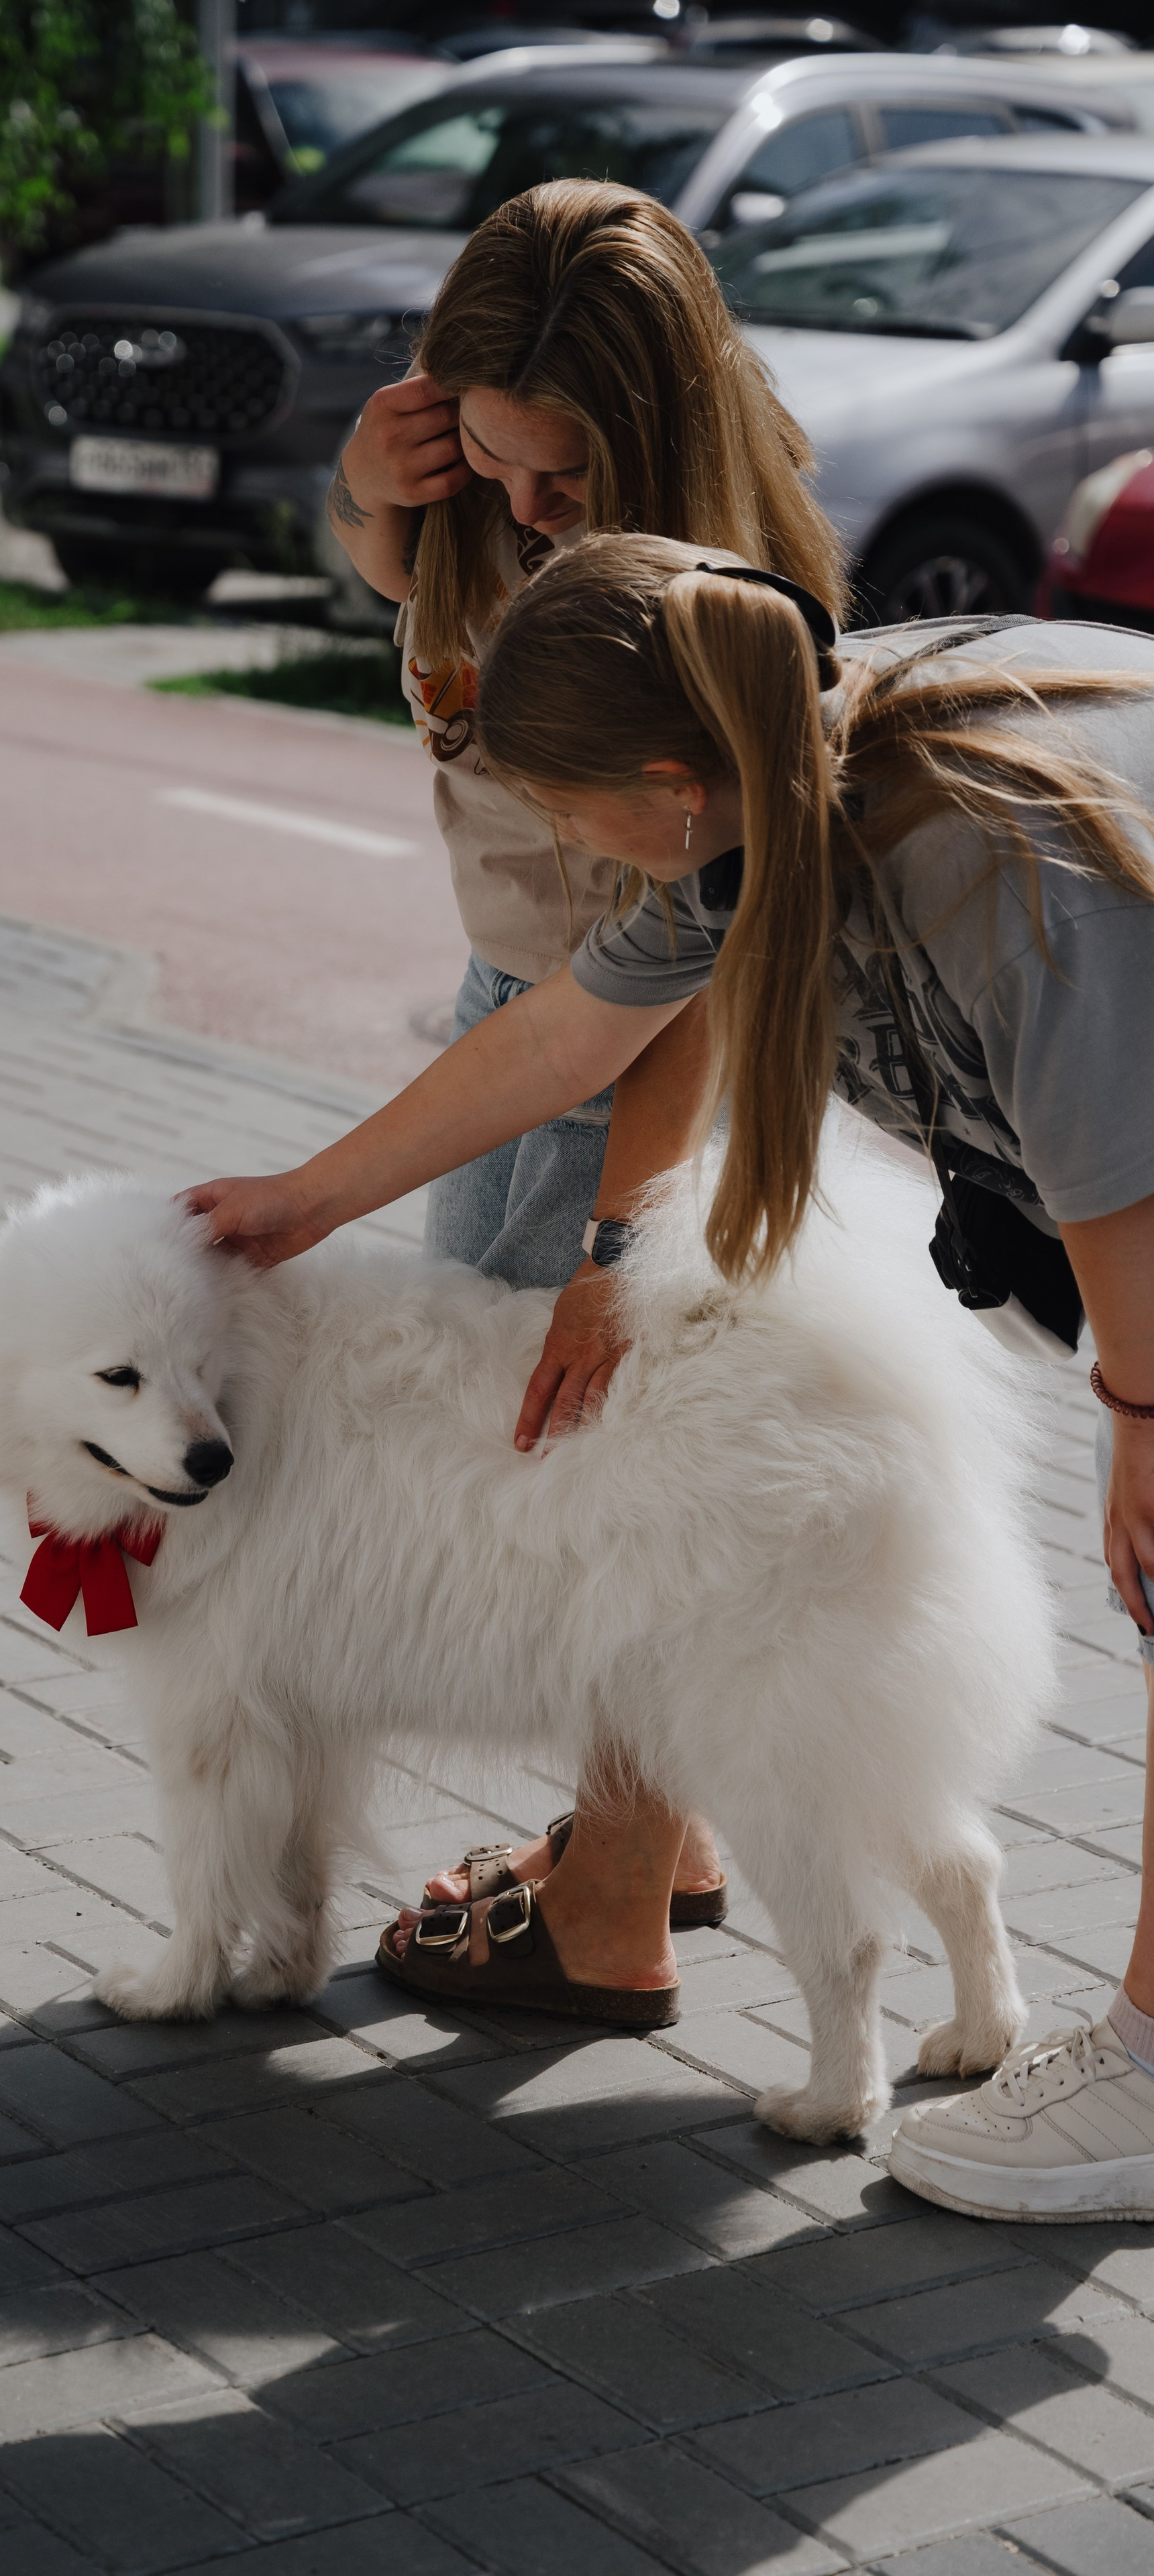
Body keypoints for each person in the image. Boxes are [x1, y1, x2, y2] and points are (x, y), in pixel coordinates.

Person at [188, 536, 1154, 2217]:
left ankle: (1144, 2082)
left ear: (663, 781)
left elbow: (1122, 1186)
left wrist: (1140, 1429)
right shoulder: (772, 776)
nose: (567, 848)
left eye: (570, 814)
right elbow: (564, 1037)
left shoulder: (986, 861)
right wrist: (297, 1203)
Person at [326, 175, 843, 1934]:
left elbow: (693, 980)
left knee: (596, 1448)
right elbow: (432, 650)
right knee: (514, 1427)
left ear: (659, 437)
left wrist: (620, 1251)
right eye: (497, 465)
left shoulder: (715, 607)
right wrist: (380, 509)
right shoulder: (468, 494)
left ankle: (614, 1894)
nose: (533, 515)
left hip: (641, 1049)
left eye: (569, 483)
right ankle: (645, 1835)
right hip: (518, 1013)